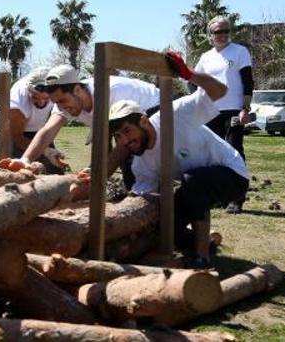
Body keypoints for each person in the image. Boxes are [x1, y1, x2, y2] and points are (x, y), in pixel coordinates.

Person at [108, 52, 249, 268]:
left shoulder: (174, 114)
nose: (125, 141)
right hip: (195, 185)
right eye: (118, 137)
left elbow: (220, 90)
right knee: (166, 226)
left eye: (128, 131)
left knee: (193, 180)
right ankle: (205, 243)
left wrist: (188, 74)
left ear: (144, 122)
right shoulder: (141, 161)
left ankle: (202, 258)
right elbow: (144, 195)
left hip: (232, 176)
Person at [0, 64, 160, 182]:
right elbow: (47, 130)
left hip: (155, 112)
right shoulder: (67, 102)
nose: (61, 107)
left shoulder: (111, 92)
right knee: (127, 169)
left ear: (77, 90)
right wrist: (25, 159)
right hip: (127, 125)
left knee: (133, 163)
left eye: (62, 101)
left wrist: (99, 175)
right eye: (56, 103)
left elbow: (122, 143)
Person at [192, 16, 253, 213]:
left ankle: (237, 198)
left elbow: (248, 81)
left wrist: (245, 108)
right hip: (211, 111)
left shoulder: (240, 52)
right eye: (218, 32)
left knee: (234, 152)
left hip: (233, 110)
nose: (223, 35)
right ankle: (219, 196)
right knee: (213, 155)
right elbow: (194, 80)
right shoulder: (206, 57)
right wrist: (196, 100)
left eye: (226, 31)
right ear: (211, 35)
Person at [0, 67, 65, 174]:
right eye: (35, 97)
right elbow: (17, 138)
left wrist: (48, 149)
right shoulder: (17, 103)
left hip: (39, 128)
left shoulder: (57, 91)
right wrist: (45, 150)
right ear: (28, 91)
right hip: (12, 130)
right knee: (15, 171)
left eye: (46, 99)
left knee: (54, 172)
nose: (41, 103)